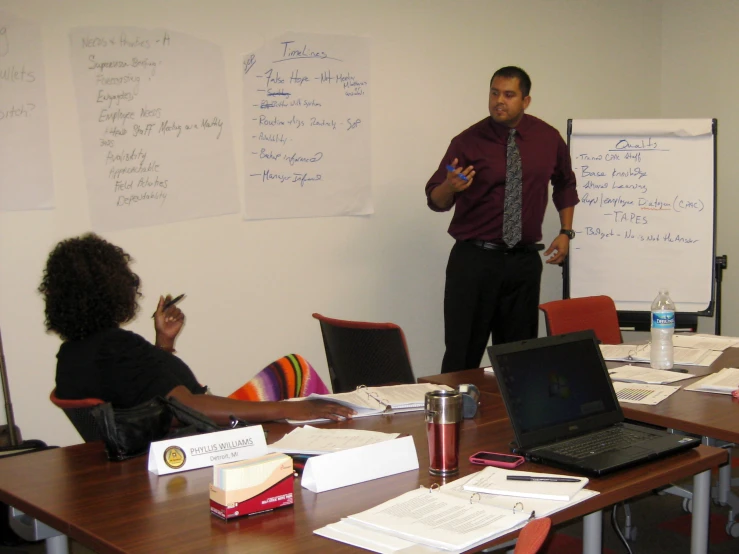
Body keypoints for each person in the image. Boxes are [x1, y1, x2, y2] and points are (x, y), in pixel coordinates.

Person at [39, 233, 355, 424]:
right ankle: (346, 452)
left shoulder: (71, 355)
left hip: (161, 442)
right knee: (295, 369)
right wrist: (284, 410)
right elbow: (184, 406)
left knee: (295, 377)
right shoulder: (118, 348)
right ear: (114, 287)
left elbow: (141, 397)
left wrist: (163, 342)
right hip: (202, 440)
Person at [425, 66, 579, 373]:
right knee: (462, 353)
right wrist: (449, 187)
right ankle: (454, 419)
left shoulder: (548, 138)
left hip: (523, 263)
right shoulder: (468, 141)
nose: (499, 101)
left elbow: (565, 184)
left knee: (519, 358)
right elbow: (435, 200)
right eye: (494, 93)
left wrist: (565, 231)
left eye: (508, 95)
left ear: (526, 100)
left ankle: (512, 420)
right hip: (474, 261)